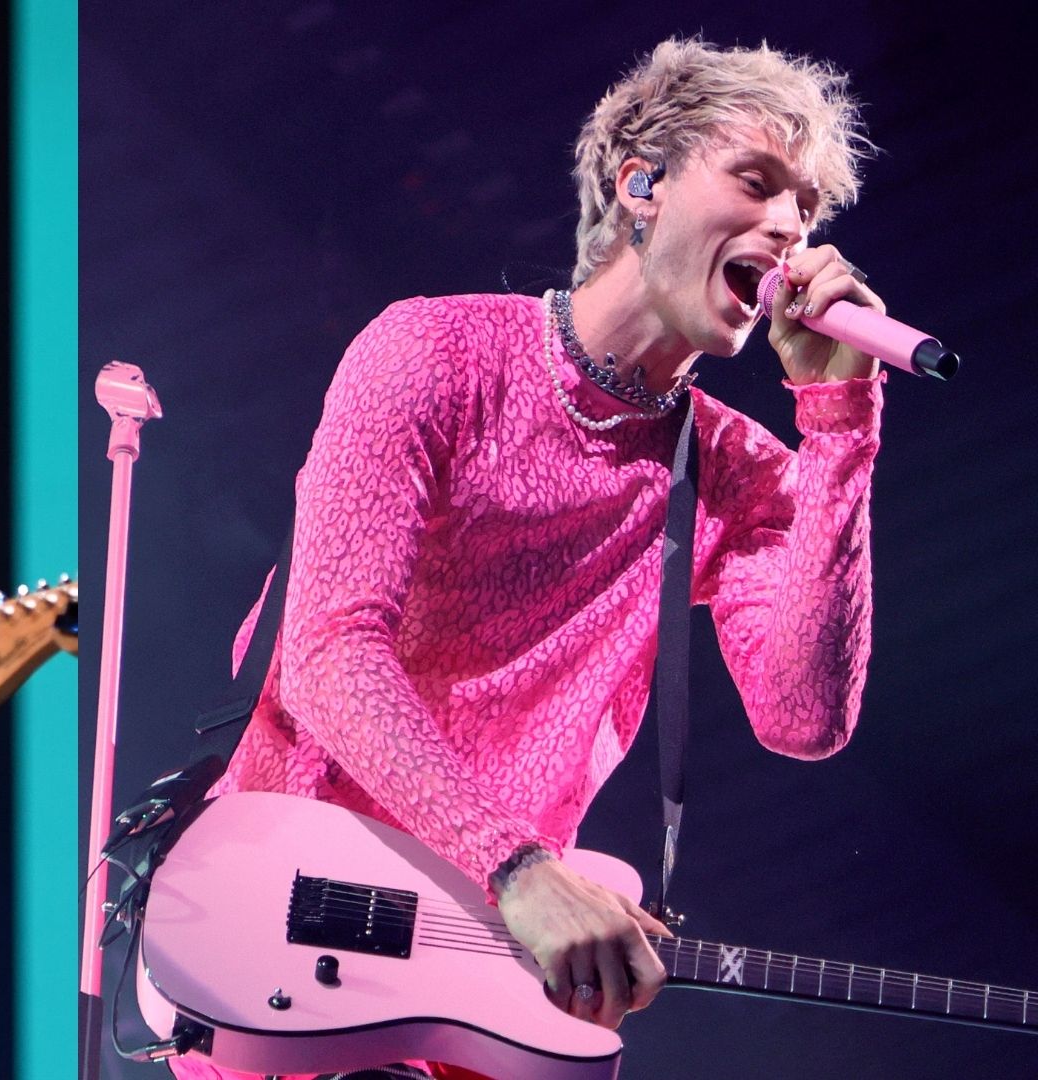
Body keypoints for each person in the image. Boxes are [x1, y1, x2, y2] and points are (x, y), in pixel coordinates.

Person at [181, 37, 883, 1080]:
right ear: (639, 183)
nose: (789, 227)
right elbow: (329, 653)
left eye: (809, 209)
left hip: (488, 976)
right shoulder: (434, 354)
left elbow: (803, 720)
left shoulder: (737, 471)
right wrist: (516, 867)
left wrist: (839, 421)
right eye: (758, 182)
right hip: (296, 925)